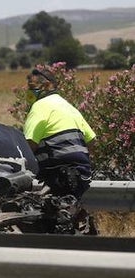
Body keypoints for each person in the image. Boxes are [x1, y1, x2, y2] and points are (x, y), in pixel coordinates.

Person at [23, 67, 95, 199]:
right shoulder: (69, 107)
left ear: (47, 85)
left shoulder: (39, 106)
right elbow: (92, 142)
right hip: (83, 175)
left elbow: (29, 145)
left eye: (32, 87)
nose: (29, 92)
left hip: (58, 175)